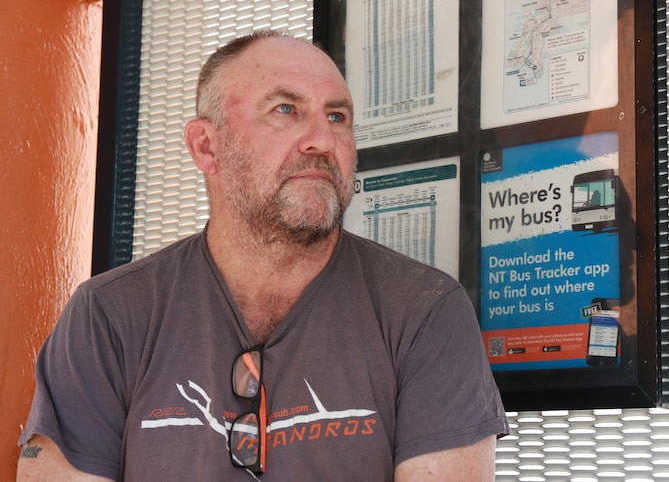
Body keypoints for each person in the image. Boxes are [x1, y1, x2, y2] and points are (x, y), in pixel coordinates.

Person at [17, 30, 509, 481]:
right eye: (286, 110)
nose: (322, 139)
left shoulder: (424, 312)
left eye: (337, 116)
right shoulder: (109, 316)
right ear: (206, 147)